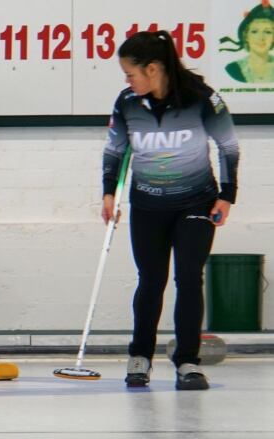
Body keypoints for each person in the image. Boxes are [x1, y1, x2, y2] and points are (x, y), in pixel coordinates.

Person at [102, 31, 240, 390]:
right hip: (147, 204)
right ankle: (141, 356)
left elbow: (227, 146)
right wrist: (108, 193)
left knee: (189, 278)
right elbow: (115, 150)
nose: (127, 80)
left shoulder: (202, 98)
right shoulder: (128, 101)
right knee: (150, 280)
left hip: (196, 202)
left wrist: (227, 195)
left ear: (153, 68)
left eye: (131, 73)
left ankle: (188, 362)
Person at [220, 1, 274, 83]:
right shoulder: (233, 69)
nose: (261, 38)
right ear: (246, 36)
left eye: (268, 32)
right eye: (254, 31)